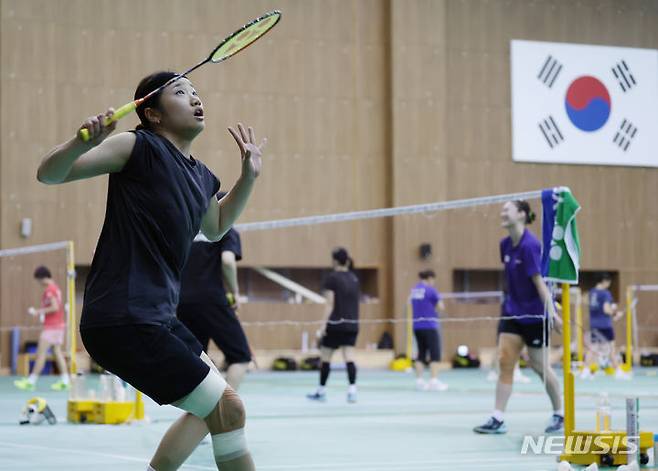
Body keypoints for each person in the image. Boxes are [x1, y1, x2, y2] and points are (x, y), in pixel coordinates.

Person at [37, 70, 265, 471]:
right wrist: (82, 141)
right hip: (123, 316)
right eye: (181, 92)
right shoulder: (137, 147)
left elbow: (215, 227)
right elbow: (50, 174)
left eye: (195, 91)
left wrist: (247, 178)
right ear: (153, 114)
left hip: (158, 317)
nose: (196, 99)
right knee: (228, 407)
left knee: (216, 407)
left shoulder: (201, 175)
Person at [474, 200, 563, 435]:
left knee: (539, 366)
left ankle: (559, 413)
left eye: (507, 210)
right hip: (513, 312)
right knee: (505, 362)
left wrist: (553, 313)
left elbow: (539, 283)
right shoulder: (504, 245)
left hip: (535, 315)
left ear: (522, 215)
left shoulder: (531, 246)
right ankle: (497, 417)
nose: (502, 214)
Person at [178, 202, 252, 390]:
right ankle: (224, 410)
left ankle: (201, 413)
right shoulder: (225, 229)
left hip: (181, 302)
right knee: (241, 356)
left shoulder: (188, 228)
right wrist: (235, 292)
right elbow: (227, 261)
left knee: (198, 360)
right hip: (211, 299)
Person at [307, 248, 360, 403]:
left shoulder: (332, 278)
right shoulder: (354, 278)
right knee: (349, 357)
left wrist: (322, 326)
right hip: (352, 324)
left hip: (335, 324)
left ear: (335, 261)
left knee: (326, 358)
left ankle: (321, 391)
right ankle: (352, 391)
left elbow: (330, 304)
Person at [14, 266, 70, 391]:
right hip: (58, 326)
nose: (39, 283)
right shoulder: (56, 288)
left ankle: (31, 381)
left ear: (43, 278)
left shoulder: (49, 290)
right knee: (57, 352)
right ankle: (66, 381)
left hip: (52, 327)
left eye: (38, 280)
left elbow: (55, 307)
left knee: (41, 354)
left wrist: (38, 312)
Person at [581, 272, 627, 379]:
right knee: (611, 348)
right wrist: (615, 313)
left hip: (594, 324)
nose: (609, 285)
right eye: (609, 282)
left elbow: (588, 303)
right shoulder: (605, 293)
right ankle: (618, 371)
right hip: (605, 325)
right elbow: (606, 309)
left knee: (593, 348)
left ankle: (585, 371)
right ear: (605, 281)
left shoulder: (592, 292)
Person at [410, 269, 448, 391]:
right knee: (435, 354)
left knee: (420, 354)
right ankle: (434, 381)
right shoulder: (431, 290)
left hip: (416, 326)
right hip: (430, 326)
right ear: (430, 278)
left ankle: (419, 381)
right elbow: (441, 306)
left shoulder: (414, 290)